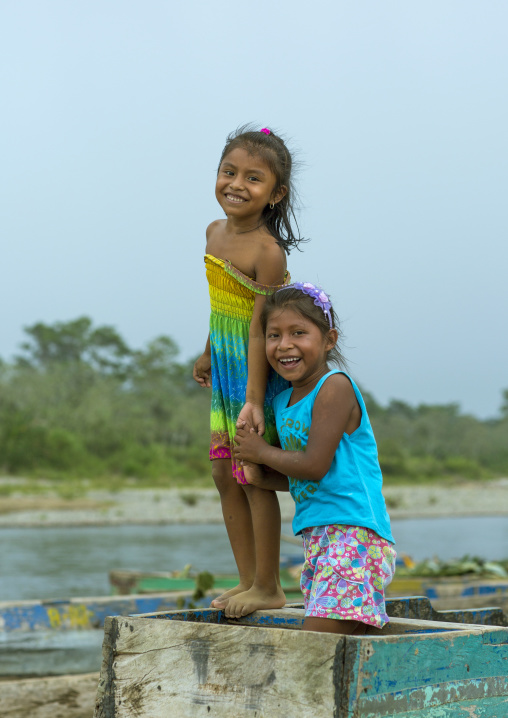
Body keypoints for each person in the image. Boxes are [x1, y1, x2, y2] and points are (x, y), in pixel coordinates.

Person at [233, 283, 396, 633]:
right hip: (319, 538)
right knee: (335, 646)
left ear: (329, 340)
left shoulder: (334, 387)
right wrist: (263, 477)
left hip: (354, 535)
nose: (285, 345)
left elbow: (314, 465)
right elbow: (306, 478)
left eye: (299, 333)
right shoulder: (280, 403)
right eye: (273, 335)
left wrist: (261, 452)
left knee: (313, 646)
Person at [193, 125, 304, 616]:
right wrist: (207, 349)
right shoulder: (213, 233)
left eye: (253, 178)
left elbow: (261, 329)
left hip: (255, 371)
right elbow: (222, 305)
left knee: (253, 472)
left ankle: (269, 584)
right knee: (223, 472)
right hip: (226, 362)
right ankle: (245, 579)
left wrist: (254, 400)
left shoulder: (266, 251)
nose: (236, 184)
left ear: (275, 194)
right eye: (228, 171)